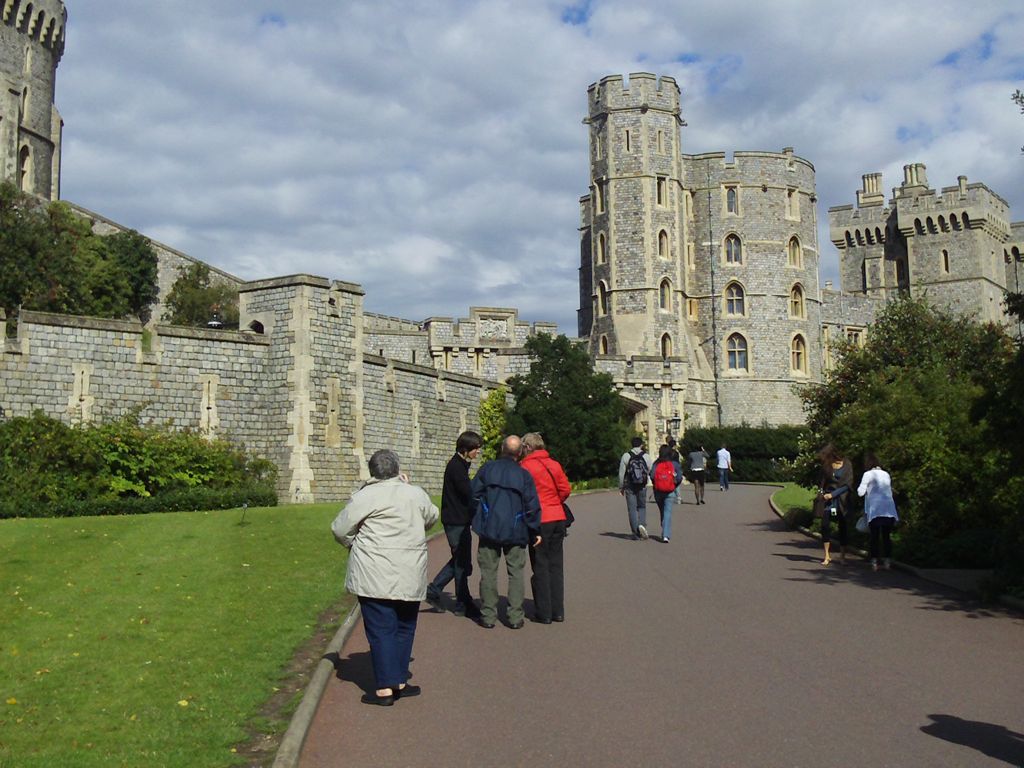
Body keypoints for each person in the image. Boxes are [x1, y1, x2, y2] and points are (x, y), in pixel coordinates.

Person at [331, 449, 439, 706]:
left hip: (374, 571)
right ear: (396, 469)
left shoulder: (364, 496)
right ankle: (397, 680)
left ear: (372, 472)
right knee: (404, 626)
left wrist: (352, 543)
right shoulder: (415, 493)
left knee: (381, 629)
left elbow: (340, 528)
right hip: (409, 569)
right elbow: (432, 517)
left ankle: (386, 687)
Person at [471, 435, 542, 629]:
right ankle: (515, 617)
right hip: (515, 528)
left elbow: (473, 494)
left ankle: (488, 615)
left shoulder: (488, 469)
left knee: (488, 572)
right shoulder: (523, 475)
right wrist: (535, 528)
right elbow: (532, 505)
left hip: (489, 528)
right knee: (516, 573)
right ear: (520, 453)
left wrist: (477, 516)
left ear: (502, 449)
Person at [426, 430, 483, 619]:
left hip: (458, 519)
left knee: (461, 560)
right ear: (465, 449)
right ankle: (458, 601)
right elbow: (468, 492)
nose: (477, 453)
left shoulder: (460, 464)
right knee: (460, 561)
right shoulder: (457, 468)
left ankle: (455, 598)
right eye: (475, 449)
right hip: (456, 521)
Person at [519, 432, 572, 623]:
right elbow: (565, 489)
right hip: (557, 517)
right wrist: (555, 503)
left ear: (527, 447)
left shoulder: (525, 467)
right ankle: (558, 610)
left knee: (540, 565)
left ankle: (544, 611)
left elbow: (523, 495)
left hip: (539, 519)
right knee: (556, 565)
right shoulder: (554, 464)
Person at [857, 452, 900, 571]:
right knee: (886, 536)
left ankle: (874, 561)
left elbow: (860, 492)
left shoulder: (867, 474)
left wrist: (865, 490)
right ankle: (887, 561)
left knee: (875, 536)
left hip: (875, 510)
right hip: (889, 509)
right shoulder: (886, 474)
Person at [817, 444, 852, 566]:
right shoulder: (827, 466)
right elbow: (822, 483)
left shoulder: (847, 465)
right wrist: (822, 494)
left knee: (843, 527)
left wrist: (834, 494)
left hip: (841, 501)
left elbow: (848, 485)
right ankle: (827, 555)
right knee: (825, 525)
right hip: (828, 502)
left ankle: (842, 556)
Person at [618, 437, 653, 539]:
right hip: (642, 485)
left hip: (630, 485)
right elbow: (649, 470)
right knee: (642, 506)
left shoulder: (626, 456)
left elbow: (621, 473)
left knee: (632, 509)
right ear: (641, 444)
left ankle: (635, 533)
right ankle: (642, 524)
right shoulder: (646, 456)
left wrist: (621, 486)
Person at [651, 444, 683, 542]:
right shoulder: (674, 464)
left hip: (658, 491)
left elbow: (652, 476)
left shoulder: (656, 463)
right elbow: (679, 478)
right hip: (670, 491)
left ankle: (664, 528)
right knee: (667, 512)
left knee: (662, 511)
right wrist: (674, 485)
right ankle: (666, 535)